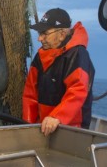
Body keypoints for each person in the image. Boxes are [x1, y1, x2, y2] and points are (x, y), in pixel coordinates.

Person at [22, 8, 95, 136]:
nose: (40, 38)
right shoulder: (40, 56)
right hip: (44, 127)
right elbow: (30, 95)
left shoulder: (78, 55)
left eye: (45, 33)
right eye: (40, 33)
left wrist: (57, 117)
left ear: (61, 34)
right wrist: (28, 125)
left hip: (71, 129)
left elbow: (78, 90)